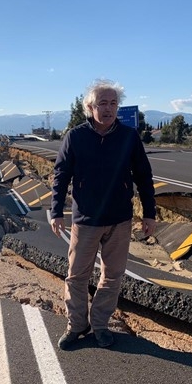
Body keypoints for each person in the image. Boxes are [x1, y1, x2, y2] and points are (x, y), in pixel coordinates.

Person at [50, 79, 156, 349]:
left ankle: (99, 324)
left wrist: (149, 213)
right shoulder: (76, 137)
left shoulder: (129, 137)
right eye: (102, 103)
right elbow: (61, 175)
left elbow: (144, 176)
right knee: (77, 275)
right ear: (90, 107)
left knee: (112, 275)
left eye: (113, 103)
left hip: (120, 219)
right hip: (85, 219)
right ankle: (76, 324)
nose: (108, 109)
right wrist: (56, 211)